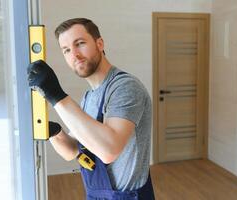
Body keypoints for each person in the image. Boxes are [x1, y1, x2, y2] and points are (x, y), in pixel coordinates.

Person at [27, 18, 155, 200]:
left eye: (79, 44)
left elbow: (109, 150)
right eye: (67, 50)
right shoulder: (89, 97)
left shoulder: (125, 87)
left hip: (127, 197)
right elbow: (72, 151)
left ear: (99, 43)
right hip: (98, 195)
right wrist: (54, 132)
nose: (74, 55)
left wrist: (56, 95)